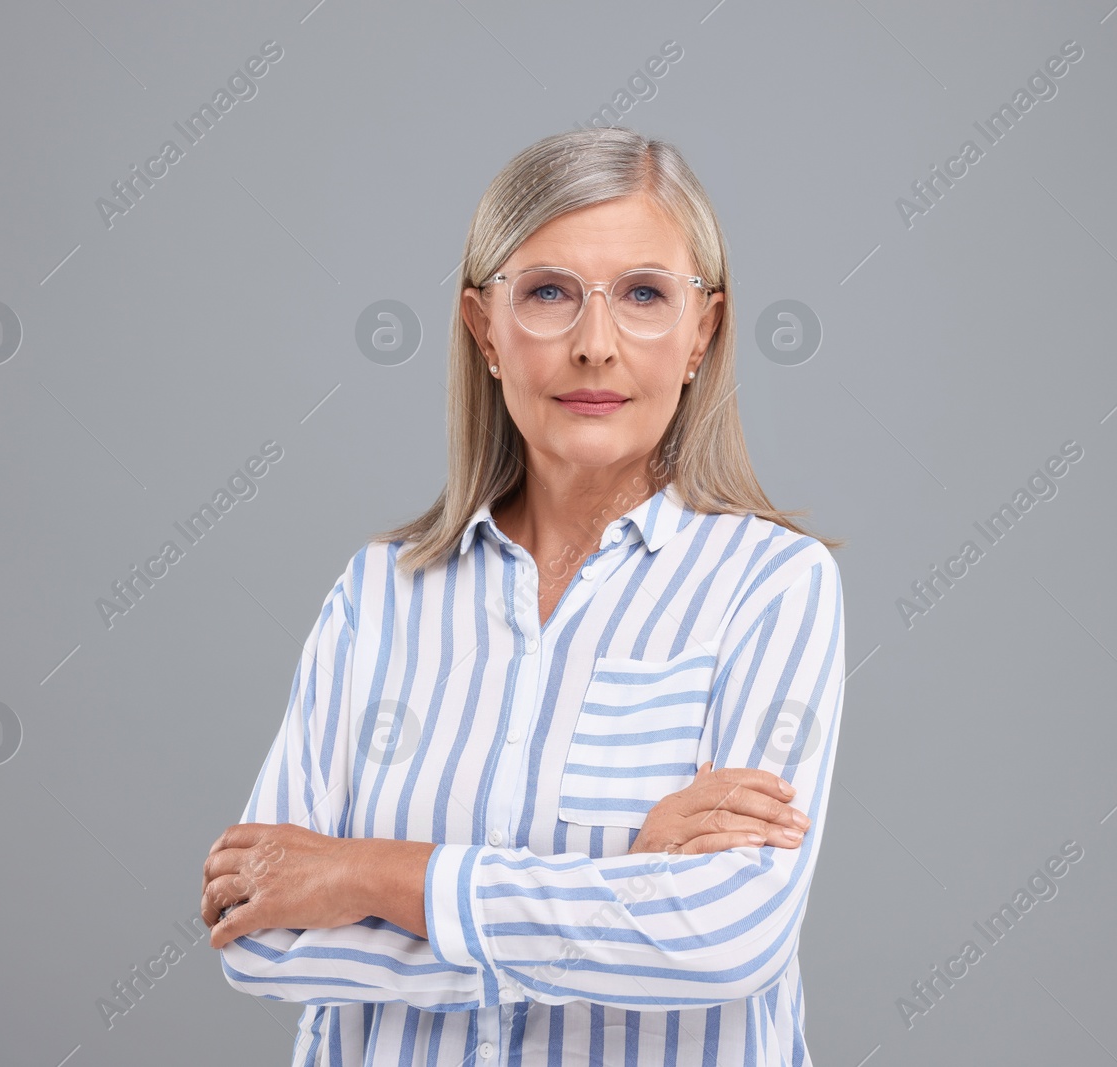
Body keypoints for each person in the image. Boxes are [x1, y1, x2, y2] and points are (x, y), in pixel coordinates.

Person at [201, 125, 847, 1065]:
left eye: (643, 295)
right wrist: (621, 888)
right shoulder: (378, 594)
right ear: (484, 328)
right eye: (548, 293)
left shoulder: (772, 587)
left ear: (702, 332)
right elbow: (257, 932)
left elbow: (723, 941)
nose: (595, 344)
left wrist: (368, 874)